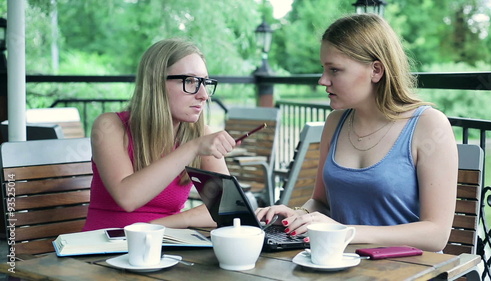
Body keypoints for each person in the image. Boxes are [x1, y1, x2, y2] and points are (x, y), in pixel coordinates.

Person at [256, 14, 458, 252]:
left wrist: (346, 232)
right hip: (341, 263)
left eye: (335, 70)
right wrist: (298, 215)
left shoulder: (429, 124)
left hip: (409, 269)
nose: (323, 80)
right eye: (324, 69)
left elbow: (436, 235)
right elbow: (321, 202)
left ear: (376, 70)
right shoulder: (335, 123)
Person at [83, 38, 236, 231]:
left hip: (165, 245)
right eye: (190, 81)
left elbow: (226, 208)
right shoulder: (110, 126)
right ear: (156, 83)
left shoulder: (199, 134)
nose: (204, 95)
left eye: (204, 82)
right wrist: (192, 148)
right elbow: (127, 198)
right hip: (102, 249)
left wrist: (157, 225)